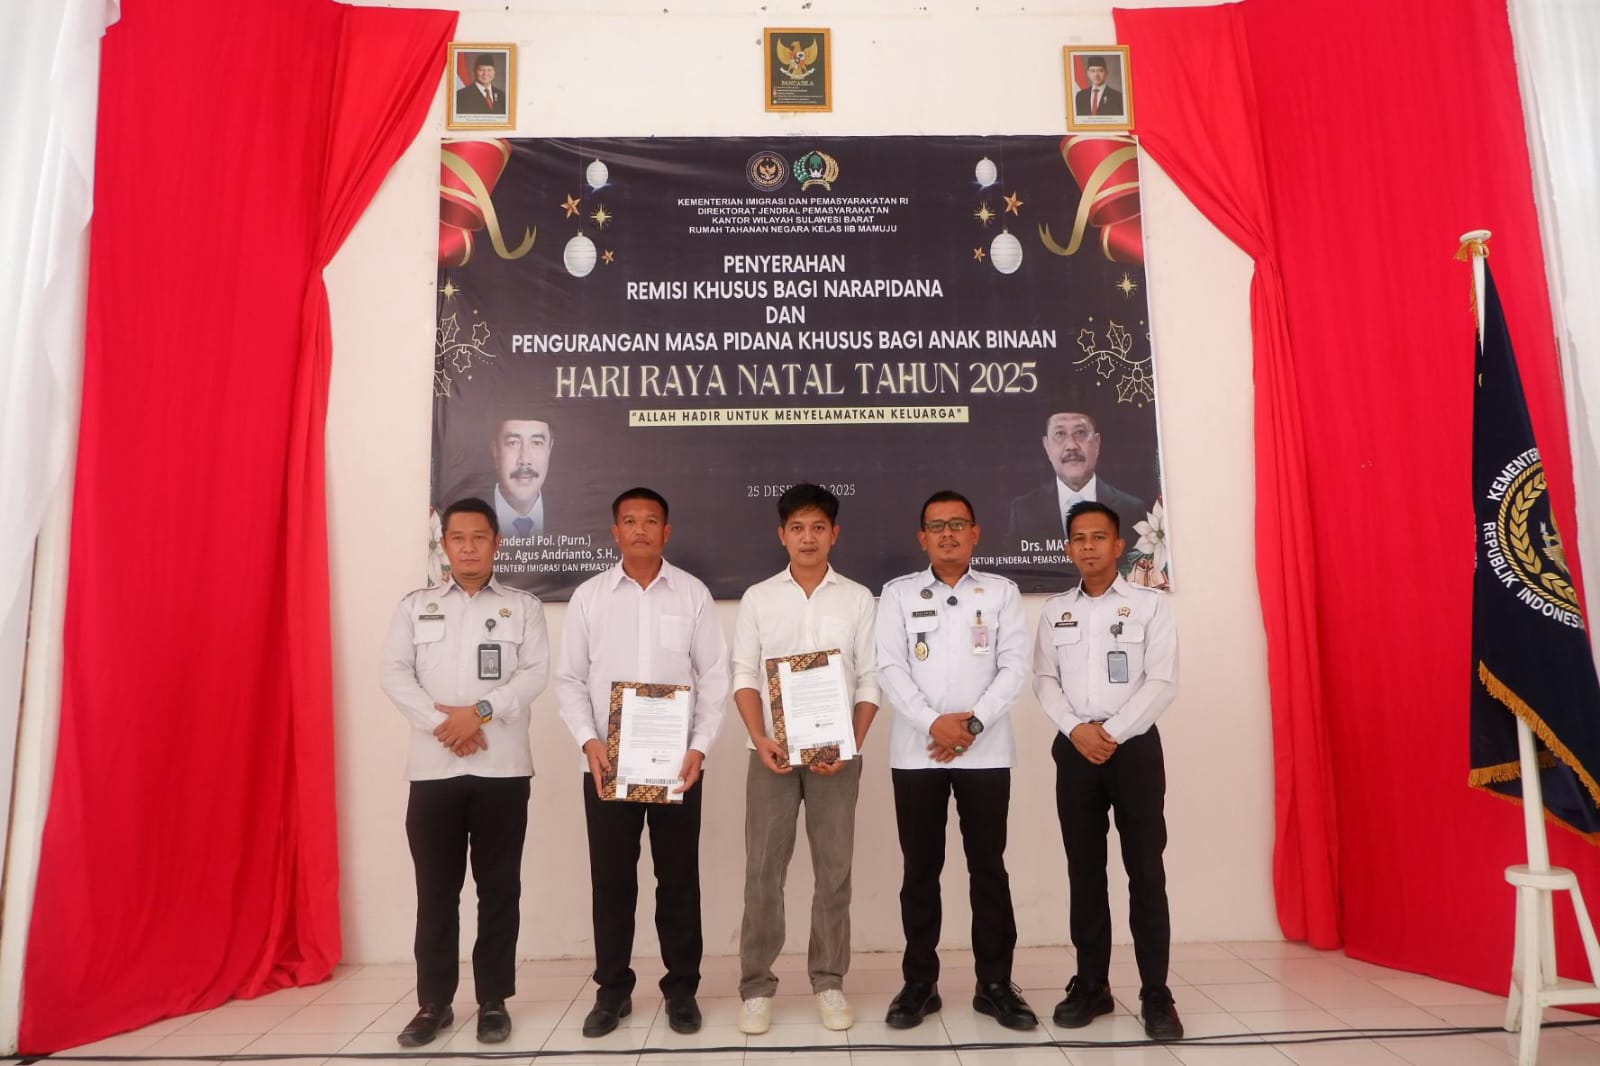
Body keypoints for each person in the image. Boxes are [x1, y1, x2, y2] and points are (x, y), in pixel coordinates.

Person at [554, 488, 730, 1038]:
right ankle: (612, 992)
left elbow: (715, 677)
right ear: (615, 531)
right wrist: (589, 741)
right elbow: (568, 678)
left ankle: (682, 990)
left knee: (677, 880)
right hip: (607, 765)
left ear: (666, 531)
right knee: (612, 883)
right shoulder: (590, 597)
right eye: (629, 521)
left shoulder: (693, 594)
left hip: (677, 764)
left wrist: (699, 746)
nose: (639, 529)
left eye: (650, 521)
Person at [378, 497, 550, 1047]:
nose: (469, 547)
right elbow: (394, 673)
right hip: (433, 772)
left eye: (480, 537)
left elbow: (534, 675)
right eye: (459, 538)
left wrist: (478, 713)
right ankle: (434, 1003)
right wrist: (444, 725)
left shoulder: (523, 607)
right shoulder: (415, 606)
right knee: (436, 893)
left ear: (497, 542)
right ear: (444, 544)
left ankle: (494, 1000)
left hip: (502, 770)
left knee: (499, 890)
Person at [876, 491, 1038, 1032]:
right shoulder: (898, 594)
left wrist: (968, 727)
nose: (947, 534)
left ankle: (995, 985)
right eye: (937, 526)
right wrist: (933, 725)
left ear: (975, 533)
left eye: (957, 524)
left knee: (988, 869)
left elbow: (1014, 669)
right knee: (920, 872)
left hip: (984, 753)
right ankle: (919, 984)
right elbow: (889, 668)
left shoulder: (1002, 592)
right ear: (922, 537)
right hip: (917, 754)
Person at [731, 484, 880, 1036]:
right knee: (762, 870)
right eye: (797, 528)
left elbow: (870, 679)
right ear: (782, 535)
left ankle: (829, 981)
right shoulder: (758, 598)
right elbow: (744, 675)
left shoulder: (858, 599)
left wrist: (850, 744)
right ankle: (755, 987)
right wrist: (759, 735)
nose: (808, 537)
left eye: (818, 527)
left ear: (834, 534)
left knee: (834, 869)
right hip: (769, 754)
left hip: (839, 756)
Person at [1032, 500, 1182, 1041]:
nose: (1089, 546)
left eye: (1099, 537)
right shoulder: (1055, 611)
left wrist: (1111, 733)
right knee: (1085, 870)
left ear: (1119, 546)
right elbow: (1044, 680)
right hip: (1075, 750)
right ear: (1068, 548)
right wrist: (1078, 731)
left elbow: (1162, 681)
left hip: (1134, 749)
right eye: (1079, 538)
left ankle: (1156, 991)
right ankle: (1092, 984)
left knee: (1145, 870)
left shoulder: (1150, 606)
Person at [1005, 411, 1147, 559]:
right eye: (1060, 434)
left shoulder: (1131, 509)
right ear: (1046, 446)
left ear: (1097, 443)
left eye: (1080, 433)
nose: (1071, 446)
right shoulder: (1023, 511)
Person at [490, 413, 554, 538]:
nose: (525, 460)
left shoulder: (576, 519)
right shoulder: (464, 515)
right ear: (495, 451)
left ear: (549, 450)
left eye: (537, 443)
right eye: (513, 443)